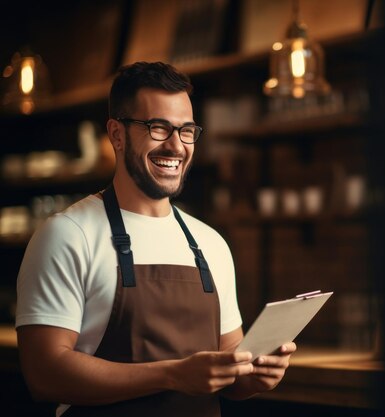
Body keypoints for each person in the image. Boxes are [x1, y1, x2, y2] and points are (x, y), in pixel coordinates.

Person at [15, 61, 296, 417]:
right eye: (158, 128)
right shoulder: (68, 235)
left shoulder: (210, 244)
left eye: (187, 130)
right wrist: (172, 375)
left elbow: (229, 373)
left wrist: (256, 376)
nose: (176, 146)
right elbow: (45, 374)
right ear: (117, 135)